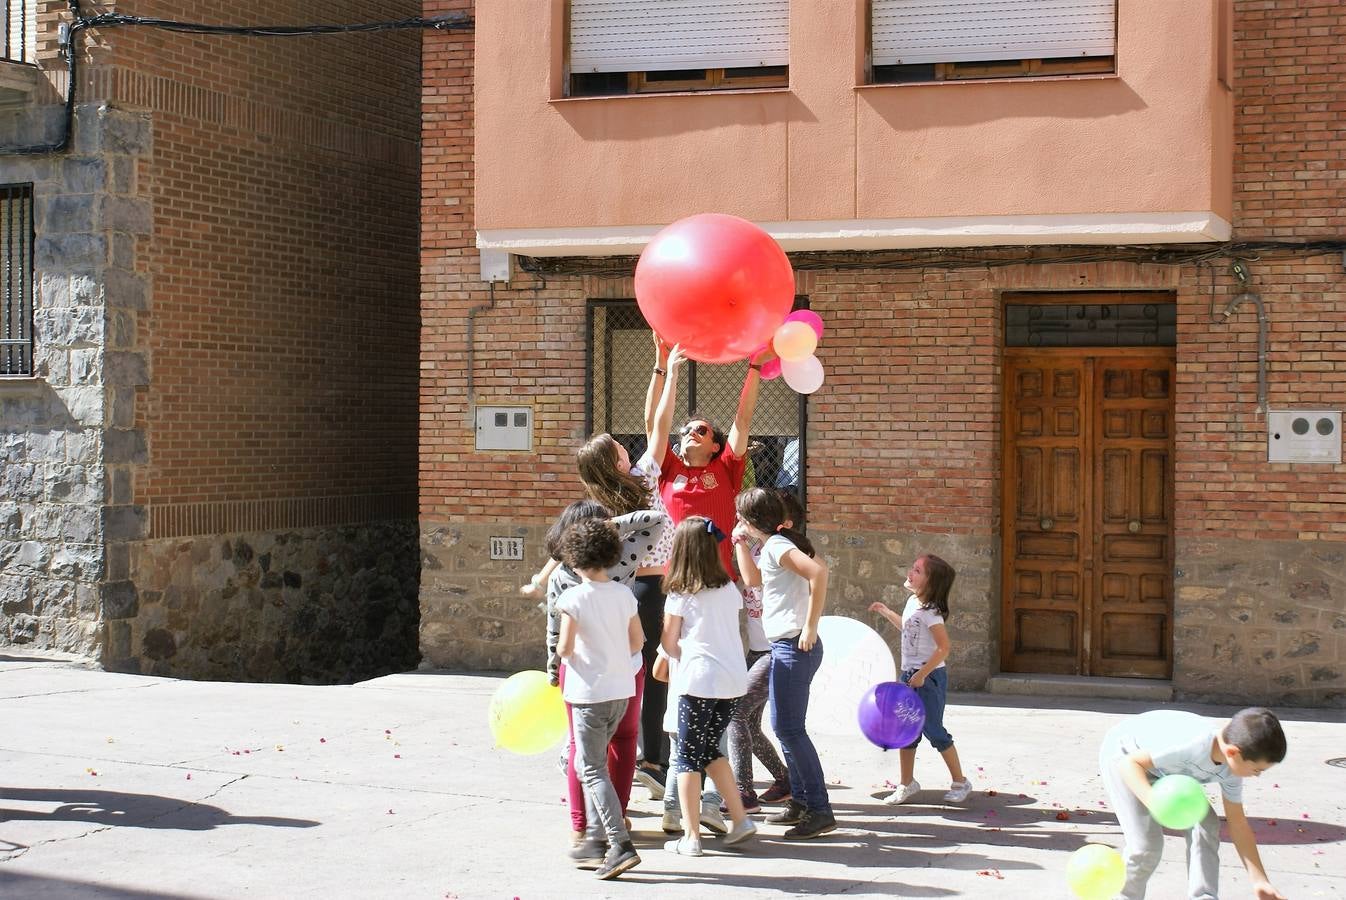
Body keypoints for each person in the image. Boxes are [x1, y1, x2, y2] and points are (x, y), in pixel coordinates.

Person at [541, 499, 666, 846]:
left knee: (582, 751)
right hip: (627, 673)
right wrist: (610, 527)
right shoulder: (623, 564)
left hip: (582, 678)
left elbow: (557, 638)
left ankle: (580, 826)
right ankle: (619, 814)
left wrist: (554, 672)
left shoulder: (563, 582)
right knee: (624, 743)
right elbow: (656, 520)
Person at [576, 429, 677, 797]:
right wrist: (664, 371)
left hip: (626, 593)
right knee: (654, 676)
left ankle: (605, 758)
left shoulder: (602, 506)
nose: (626, 447)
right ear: (616, 462)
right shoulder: (642, 484)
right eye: (619, 448)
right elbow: (660, 426)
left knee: (626, 678)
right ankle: (651, 760)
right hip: (649, 590)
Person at [732, 487, 835, 840]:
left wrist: (810, 626)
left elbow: (819, 574)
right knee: (785, 728)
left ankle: (819, 809)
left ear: (751, 519)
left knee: (791, 730)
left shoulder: (777, 546)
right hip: (783, 647)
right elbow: (754, 581)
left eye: (741, 517)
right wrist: (741, 544)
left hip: (794, 644)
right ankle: (803, 802)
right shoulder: (773, 546)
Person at [1099, 707, 1287, 900]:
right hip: (1124, 756)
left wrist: (1259, 880)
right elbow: (1130, 764)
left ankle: (1204, 896)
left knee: (1206, 824)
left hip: (1165, 771)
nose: (1256, 776)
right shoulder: (1191, 745)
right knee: (1147, 846)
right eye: (1257, 770)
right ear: (1233, 752)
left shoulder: (1231, 769)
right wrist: (1154, 802)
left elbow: (1238, 824)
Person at [659, 517, 757, 855]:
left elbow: (669, 643)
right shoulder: (729, 588)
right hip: (732, 681)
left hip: (699, 681)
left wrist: (680, 653)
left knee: (686, 757)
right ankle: (740, 820)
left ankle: (691, 837)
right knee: (709, 750)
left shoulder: (680, 593)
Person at [554, 518, 646, 881]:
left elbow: (564, 648)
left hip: (588, 693)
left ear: (574, 558)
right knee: (592, 767)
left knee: (590, 767)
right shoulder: (624, 594)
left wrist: (577, 657)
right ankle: (597, 836)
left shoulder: (572, 598)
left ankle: (618, 843)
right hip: (620, 690)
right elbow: (638, 642)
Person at [645, 339, 770, 581]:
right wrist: (661, 367)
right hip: (673, 581)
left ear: (715, 446)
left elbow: (742, 422)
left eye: (701, 430)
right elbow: (652, 424)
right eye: (686, 431)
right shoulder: (667, 467)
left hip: (718, 583)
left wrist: (755, 367)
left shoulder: (726, 466)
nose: (691, 432)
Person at [869, 554, 973, 805]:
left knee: (935, 731)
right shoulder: (912, 603)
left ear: (930, 581)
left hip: (929, 678)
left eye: (917, 570)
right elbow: (907, 628)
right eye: (912, 568)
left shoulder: (932, 613)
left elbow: (944, 648)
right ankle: (907, 784)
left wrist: (922, 675)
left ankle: (960, 781)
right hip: (910, 676)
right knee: (907, 733)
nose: (910, 573)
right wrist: (886, 612)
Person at [724, 490, 796, 811]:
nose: (739, 522)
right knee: (749, 723)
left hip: (773, 650)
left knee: (735, 713)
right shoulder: (756, 547)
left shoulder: (778, 551)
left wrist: (740, 542)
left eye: (744, 517)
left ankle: (743, 792)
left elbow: (752, 580)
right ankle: (784, 779)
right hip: (757, 649)